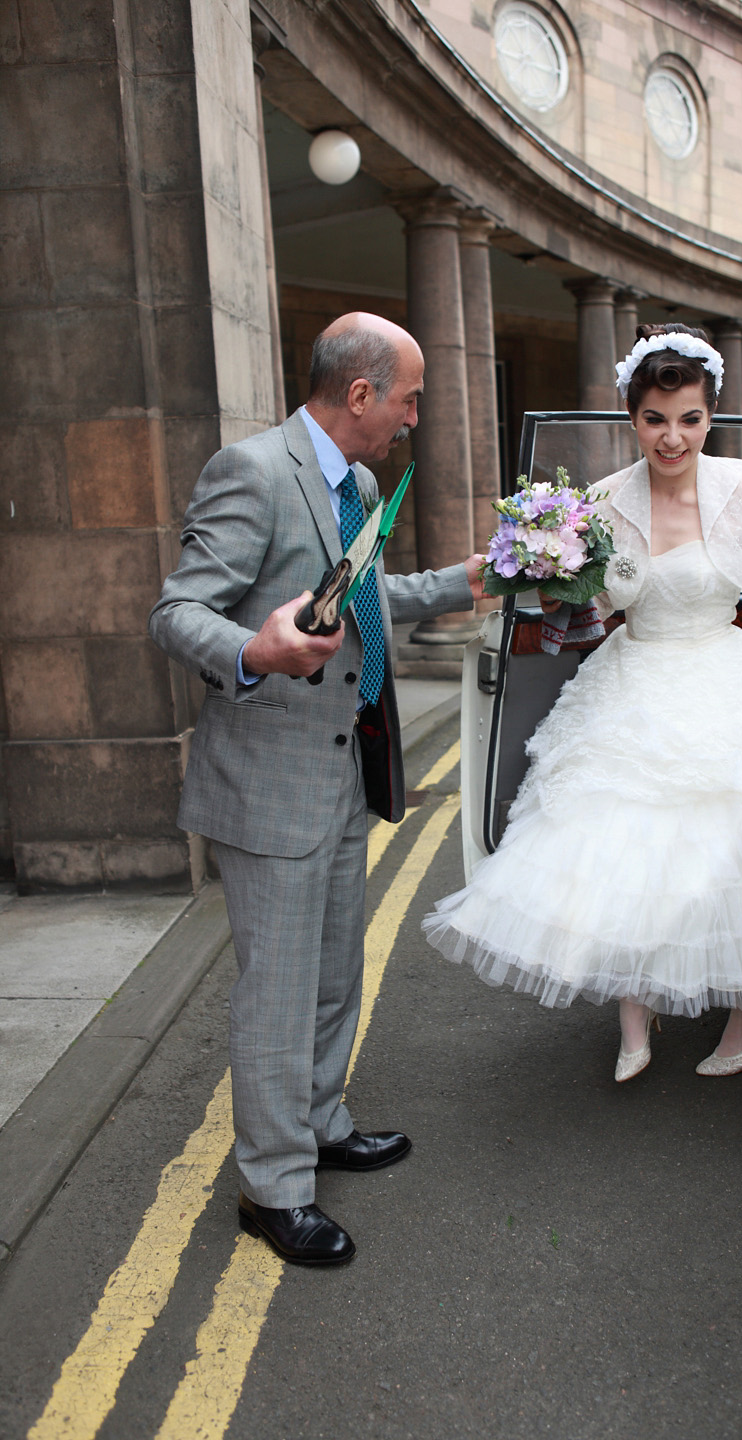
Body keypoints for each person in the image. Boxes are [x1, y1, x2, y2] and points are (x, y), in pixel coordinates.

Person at [423, 323, 742, 1081]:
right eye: (655, 419)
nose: (672, 437)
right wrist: (543, 569)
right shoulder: (597, 502)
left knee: (735, 850)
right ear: (632, 417)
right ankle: (635, 1011)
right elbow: (582, 601)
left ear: (709, 416)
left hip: (720, 679)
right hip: (633, 678)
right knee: (619, 845)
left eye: (689, 418)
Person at [150, 313, 484, 1265]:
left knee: (337, 973)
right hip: (267, 784)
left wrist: (463, 581)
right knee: (280, 995)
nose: (416, 419)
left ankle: (321, 1122)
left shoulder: (363, 483)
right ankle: (274, 1187)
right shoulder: (252, 472)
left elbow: (364, 602)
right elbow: (176, 612)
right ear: (363, 395)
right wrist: (255, 650)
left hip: (345, 768)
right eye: (411, 399)